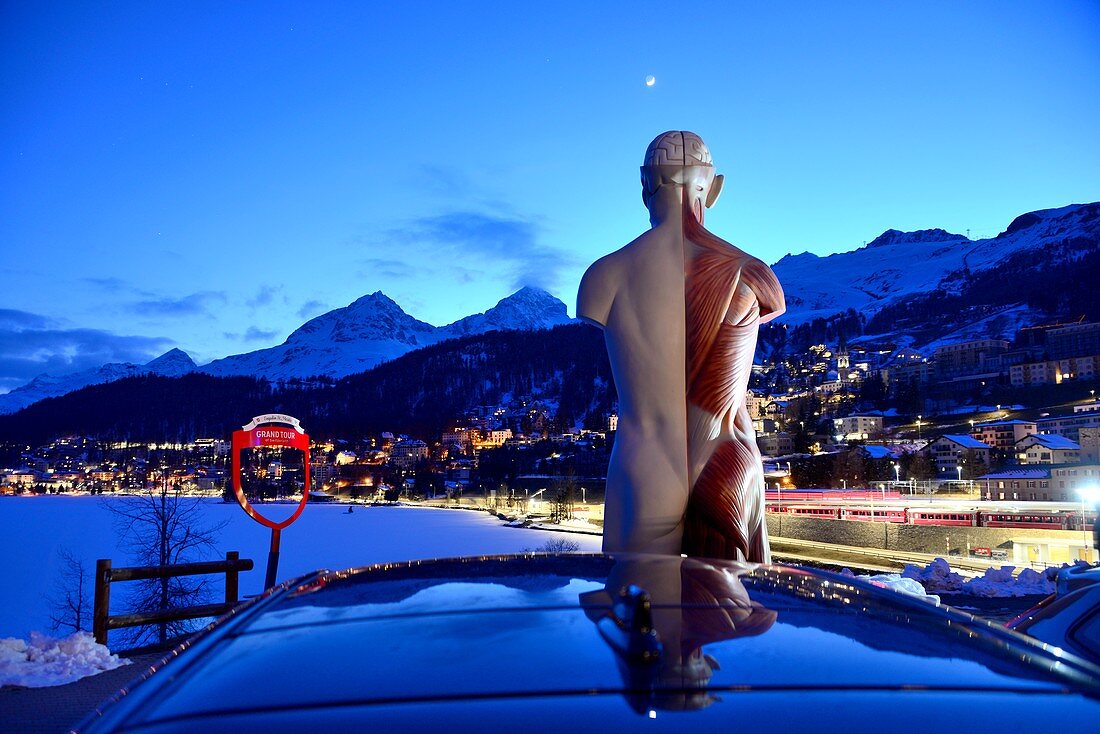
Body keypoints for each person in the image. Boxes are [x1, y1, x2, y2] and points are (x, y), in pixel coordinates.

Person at [578, 131, 783, 561]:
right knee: (726, 616)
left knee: (640, 615)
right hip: (726, 461)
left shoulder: (605, 277)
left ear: (643, 186)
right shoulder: (753, 275)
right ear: (715, 188)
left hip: (646, 467)